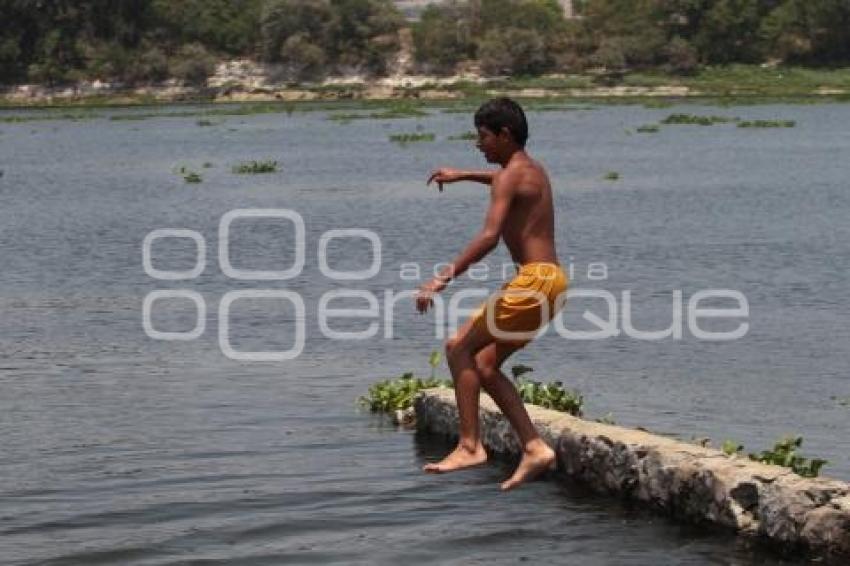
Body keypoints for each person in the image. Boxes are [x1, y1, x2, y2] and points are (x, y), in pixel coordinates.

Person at [415, 97, 568, 491]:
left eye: (483, 137)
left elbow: (489, 236)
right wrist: (464, 175)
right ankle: (534, 447)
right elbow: (502, 179)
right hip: (551, 285)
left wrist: (441, 279)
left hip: (532, 282)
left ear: (504, 134)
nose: (478, 144)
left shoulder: (509, 177)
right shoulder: (532, 169)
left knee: (457, 347)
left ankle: (469, 445)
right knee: (483, 365)